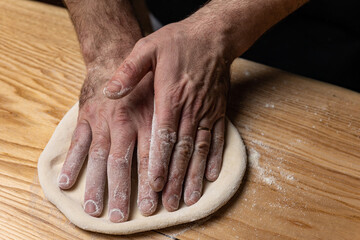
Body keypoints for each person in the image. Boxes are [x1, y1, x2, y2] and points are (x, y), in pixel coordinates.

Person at [57, 0, 308, 223]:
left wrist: (216, 33)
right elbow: (113, 48)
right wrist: (110, 50)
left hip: (308, 47)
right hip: (170, 21)